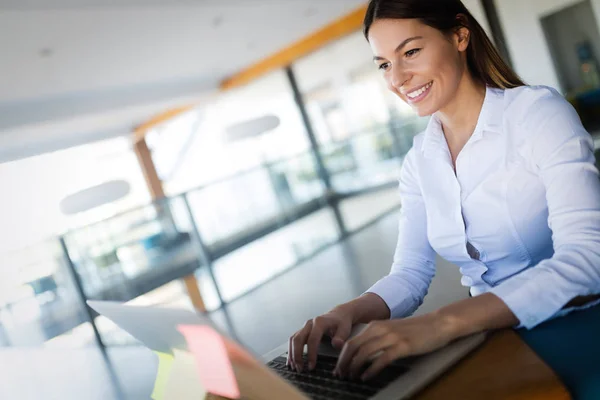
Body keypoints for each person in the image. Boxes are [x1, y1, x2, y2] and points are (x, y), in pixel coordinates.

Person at [287, 0, 600, 383]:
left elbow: (588, 258)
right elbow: (410, 273)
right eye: (384, 64)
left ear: (460, 35)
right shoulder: (419, 162)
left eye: (411, 52)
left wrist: (441, 324)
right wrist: (346, 312)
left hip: (577, 322)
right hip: (491, 336)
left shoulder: (537, 113)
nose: (397, 78)